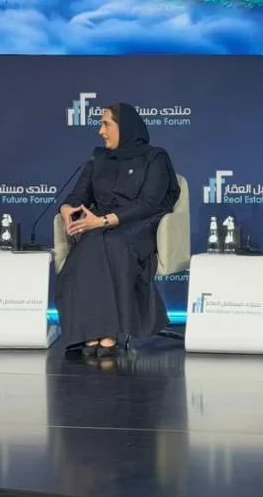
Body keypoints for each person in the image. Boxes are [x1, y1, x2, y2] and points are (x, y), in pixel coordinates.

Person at [55, 102, 181, 356]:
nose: (101, 131)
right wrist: (66, 208)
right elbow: (79, 194)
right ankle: (90, 331)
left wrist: (106, 221)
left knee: (113, 244)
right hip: (99, 225)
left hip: (140, 225)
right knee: (89, 245)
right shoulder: (99, 158)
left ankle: (108, 333)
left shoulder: (154, 157)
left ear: (125, 127)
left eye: (106, 124)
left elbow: (150, 203)